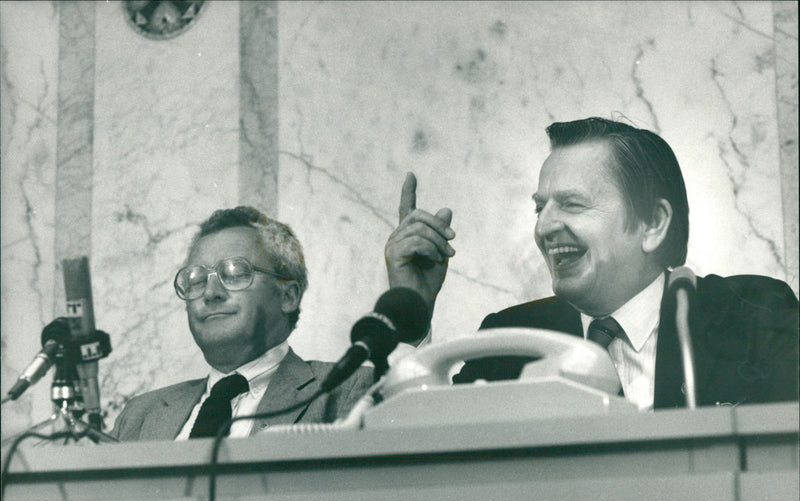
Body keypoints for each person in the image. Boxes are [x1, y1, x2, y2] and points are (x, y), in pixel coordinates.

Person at [385, 117, 799, 410]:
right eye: (540, 208)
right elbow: (429, 469)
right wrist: (410, 310)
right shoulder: (508, 343)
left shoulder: (753, 316)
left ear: (652, 223)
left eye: (572, 204)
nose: (545, 227)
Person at [112, 206, 373, 441]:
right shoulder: (139, 415)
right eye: (196, 279)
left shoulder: (348, 390)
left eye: (235, 273)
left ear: (287, 296)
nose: (211, 292)